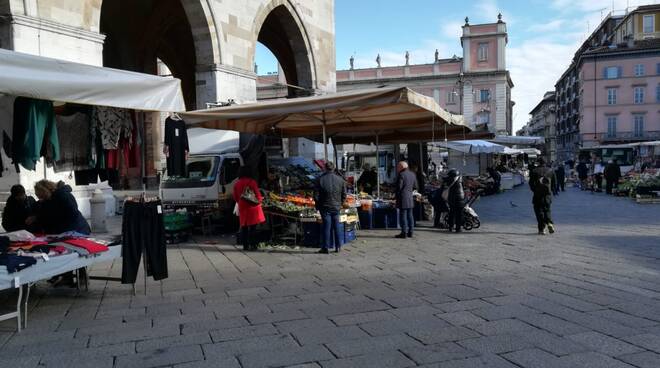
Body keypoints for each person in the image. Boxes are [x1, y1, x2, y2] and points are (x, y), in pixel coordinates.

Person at [314, 161, 347, 254]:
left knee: (326, 227)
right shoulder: (340, 179)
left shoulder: (319, 179)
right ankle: (338, 246)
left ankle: (325, 247)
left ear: (325, 168)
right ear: (334, 168)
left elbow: (316, 195)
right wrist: (341, 203)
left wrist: (318, 205)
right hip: (336, 206)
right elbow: (344, 194)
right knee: (336, 226)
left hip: (325, 207)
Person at [233, 166, 266, 251]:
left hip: (242, 206)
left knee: (244, 227)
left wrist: (241, 202)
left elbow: (235, 197)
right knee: (253, 228)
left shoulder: (237, 183)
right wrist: (259, 200)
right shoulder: (252, 182)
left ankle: (245, 246)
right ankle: (253, 244)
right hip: (252, 207)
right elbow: (257, 194)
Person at [529, 158, 556, 235]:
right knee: (547, 209)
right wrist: (551, 190)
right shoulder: (551, 170)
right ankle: (550, 223)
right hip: (547, 195)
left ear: (538, 163)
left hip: (537, 195)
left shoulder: (534, 171)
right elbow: (554, 183)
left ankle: (542, 229)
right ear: (545, 162)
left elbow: (531, 183)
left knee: (539, 211)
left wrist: (535, 190)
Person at [394, 161, 417, 239]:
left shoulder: (401, 175)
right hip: (410, 197)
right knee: (410, 215)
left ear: (401, 167)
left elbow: (399, 187)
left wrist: (395, 195)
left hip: (402, 198)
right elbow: (415, 186)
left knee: (403, 215)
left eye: (398, 167)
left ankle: (404, 233)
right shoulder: (412, 174)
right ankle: (411, 232)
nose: (397, 168)